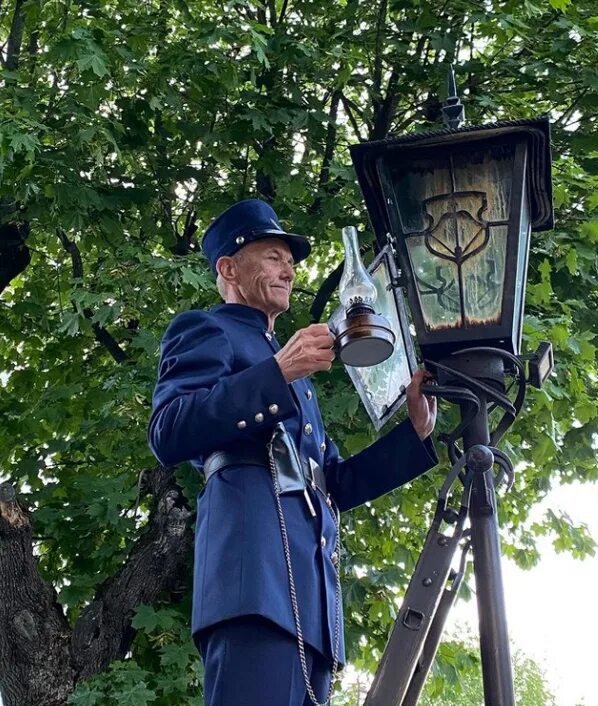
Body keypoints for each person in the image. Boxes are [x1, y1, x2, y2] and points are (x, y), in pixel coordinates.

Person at [148, 199, 438, 706]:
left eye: (291, 260)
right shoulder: (208, 329)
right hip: (252, 588)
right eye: (273, 255)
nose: (289, 269)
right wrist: (275, 373)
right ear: (228, 268)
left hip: (312, 606)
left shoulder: (289, 369)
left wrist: (413, 431)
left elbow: (332, 485)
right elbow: (169, 431)